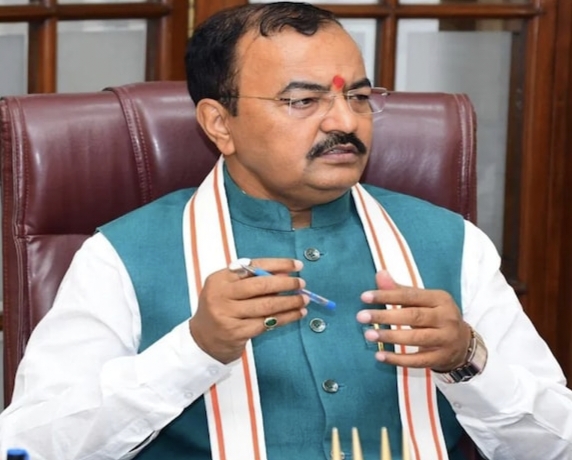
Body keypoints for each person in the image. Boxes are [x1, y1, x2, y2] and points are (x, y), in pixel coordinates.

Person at [1, 2, 571, 459]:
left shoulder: (452, 244)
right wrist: (193, 349)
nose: (344, 121)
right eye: (303, 100)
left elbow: (557, 445)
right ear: (219, 123)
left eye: (358, 96)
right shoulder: (120, 256)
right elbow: (29, 447)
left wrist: (467, 358)